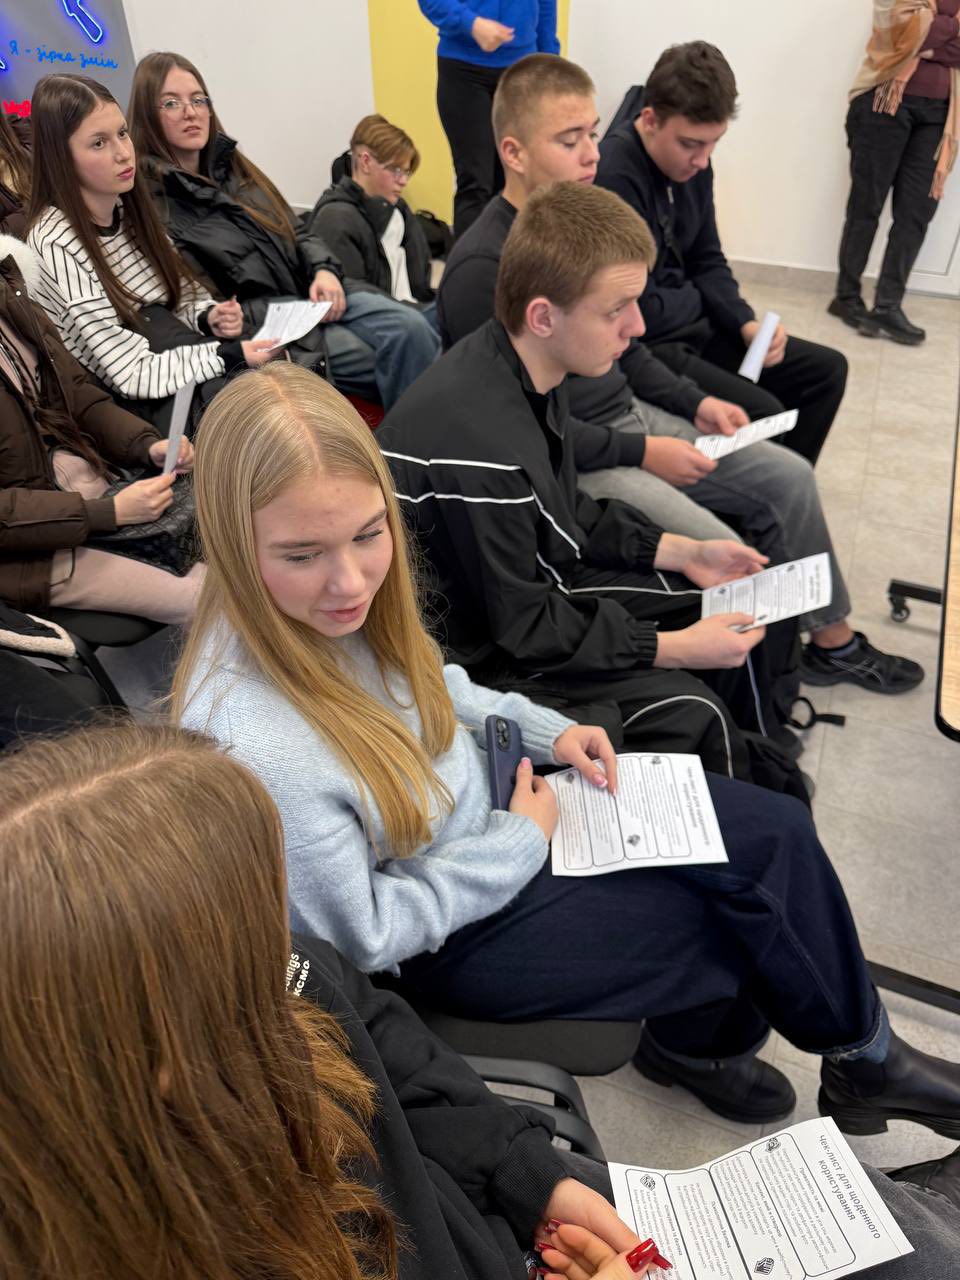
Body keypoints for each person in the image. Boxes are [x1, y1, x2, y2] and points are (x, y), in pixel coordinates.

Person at [174, 360, 960, 1135]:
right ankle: (819, 1058)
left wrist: (548, 729)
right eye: (303, 555)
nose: (349, 581)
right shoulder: (260, 742)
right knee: (743, 927)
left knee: (776, 828)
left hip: (499, 818)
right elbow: (366, 939)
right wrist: (520, 840)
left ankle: (832, 1055)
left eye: (368, 535)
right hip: (459, 924)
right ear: (237, 546)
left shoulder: (323, 613)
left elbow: (434, 682)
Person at [0, 720, 665, 1280]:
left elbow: (379, 1033)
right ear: (165, 1046)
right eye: (259, 920)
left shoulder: (276, 972)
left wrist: (522, 1170)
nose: (283, 936)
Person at [437, 54, 922, 696]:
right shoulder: (484, 268)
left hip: (630, 421)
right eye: (570, 139)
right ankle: (754, 703)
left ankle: (830, 641)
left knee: (790, 478)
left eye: (592, 133)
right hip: (584, 460)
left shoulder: (576, 224)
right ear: (514, 153)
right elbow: (521, 439)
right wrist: (644, 452)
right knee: (730, 561)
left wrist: (694, 405)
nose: (593, 154)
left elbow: (631, 346)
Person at [129, 52, 439, 410]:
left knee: (417, 326)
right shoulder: (154, 205)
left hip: (311, 293)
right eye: (171, 103)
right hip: (271, 327)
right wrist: (294, 309)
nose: (190, 112)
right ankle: (404, 441)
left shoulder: (238, 169)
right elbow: (207, 309)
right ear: (148, 114)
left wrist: (324, 270)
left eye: (199, 99)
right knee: (395, 350)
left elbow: (298, 232)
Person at [595, 41, 848, 469]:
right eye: (691, 144)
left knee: (826, 372)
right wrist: (700, 300)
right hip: (652, 345)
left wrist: (743, 321)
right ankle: (758, 497)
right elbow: (639, 310)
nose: (702, 160)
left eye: (713, 144)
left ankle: (789, 489)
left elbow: (706, 257)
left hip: (695, 325)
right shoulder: (613, 177)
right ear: (650, 120)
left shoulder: (693, 164)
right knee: (764, 413)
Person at [25, 74, 276, 433]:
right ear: (60, 158)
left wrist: (208, 316)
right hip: (139, 401)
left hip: (179, 362)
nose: (123, 153)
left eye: (122, 133)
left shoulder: (128, 208)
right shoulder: (55, 242)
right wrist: (228, 355)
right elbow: (129, 372)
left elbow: (182, 294)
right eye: (99, 143)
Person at [0, 233, 202, 624]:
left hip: (83, 491)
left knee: (240, 544)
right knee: (207, 596)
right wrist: (105, 513)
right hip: (26, 550)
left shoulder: (12, 293)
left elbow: (76, 394)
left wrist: (146, 445)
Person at [830, 0, 960, 345]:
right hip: (882, 103)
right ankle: (846, 297)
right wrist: (950, 28)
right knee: (866, 206)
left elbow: (921, 36)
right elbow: (903, 34)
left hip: (940, 115)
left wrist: (932, 32)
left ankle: (888, 305)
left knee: (916, 213)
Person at [417, 0, 559, 237]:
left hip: (522, 70)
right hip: (464, 70)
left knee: (516, 181)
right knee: (475, 182)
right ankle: (471, 260)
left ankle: (513, 258)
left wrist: (549, 63)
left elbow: (546, 6)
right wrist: (470, 24)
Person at [307, 114, 436, 315]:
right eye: (396, 170)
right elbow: (359, 304)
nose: (403, 181)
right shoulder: (335, 220)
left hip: (407, 310)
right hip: (386, 320)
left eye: (406, 172)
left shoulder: (398, 209)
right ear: (366, 162)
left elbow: (420, 282)